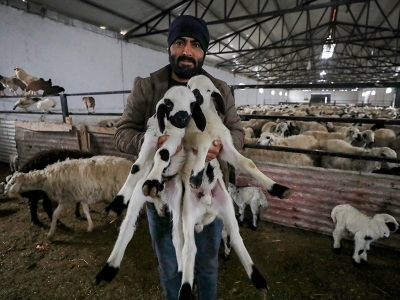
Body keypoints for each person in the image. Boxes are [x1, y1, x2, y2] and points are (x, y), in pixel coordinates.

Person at [115, 14, 244, 300]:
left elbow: (237, 131)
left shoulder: (219, 89)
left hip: (205, 194)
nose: (187, 50)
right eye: (180, 42)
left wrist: (221, 146)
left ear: (204, 51)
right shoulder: (147, 87)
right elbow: (122, 131)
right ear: (170, 46)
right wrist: (149, 142)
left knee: (208, 265)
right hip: (163, 196)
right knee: (170, 266)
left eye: (195, 44)